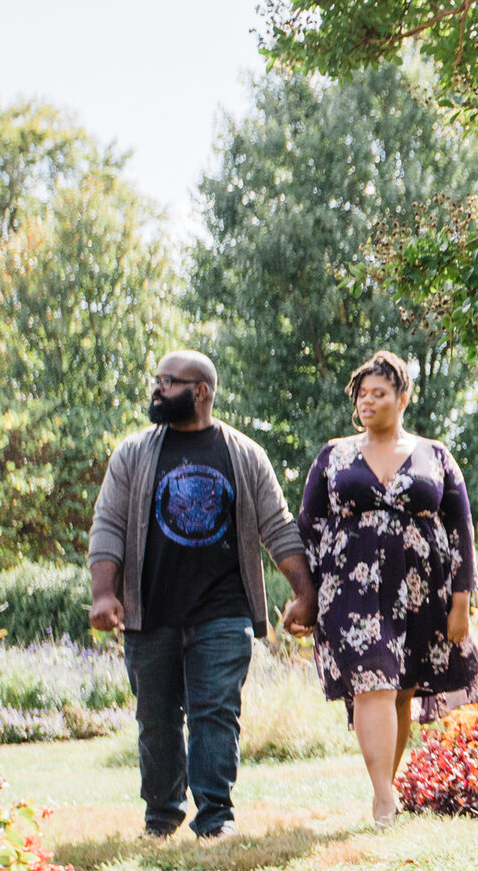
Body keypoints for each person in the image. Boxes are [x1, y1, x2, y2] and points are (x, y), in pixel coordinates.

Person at [88, 350, 317, 838]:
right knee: (156, 719)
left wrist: (304, 592)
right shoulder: (132, 454)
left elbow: (277, 525)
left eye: (169, 382)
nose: (157, 389)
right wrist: (104, 592)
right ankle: (162, 815)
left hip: (224, 609)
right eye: (156, 380)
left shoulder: (245, 454)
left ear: (202, 391)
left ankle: (216, 818)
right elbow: (107, 523)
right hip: (151, 612)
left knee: (216, 713)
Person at [283, 350, 478, 824]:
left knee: (401, 689)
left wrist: (462, 600)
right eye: (361, 395)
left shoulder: (435, 454)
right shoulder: (333, 456)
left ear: (402, 397)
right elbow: (309, 525)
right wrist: (306, 595)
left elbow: (460, 528)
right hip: (349, 587)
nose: (367, 402)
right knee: (372, 681)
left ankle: (386, 790)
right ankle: (383, 797)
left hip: (420, 588)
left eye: (379, 393)